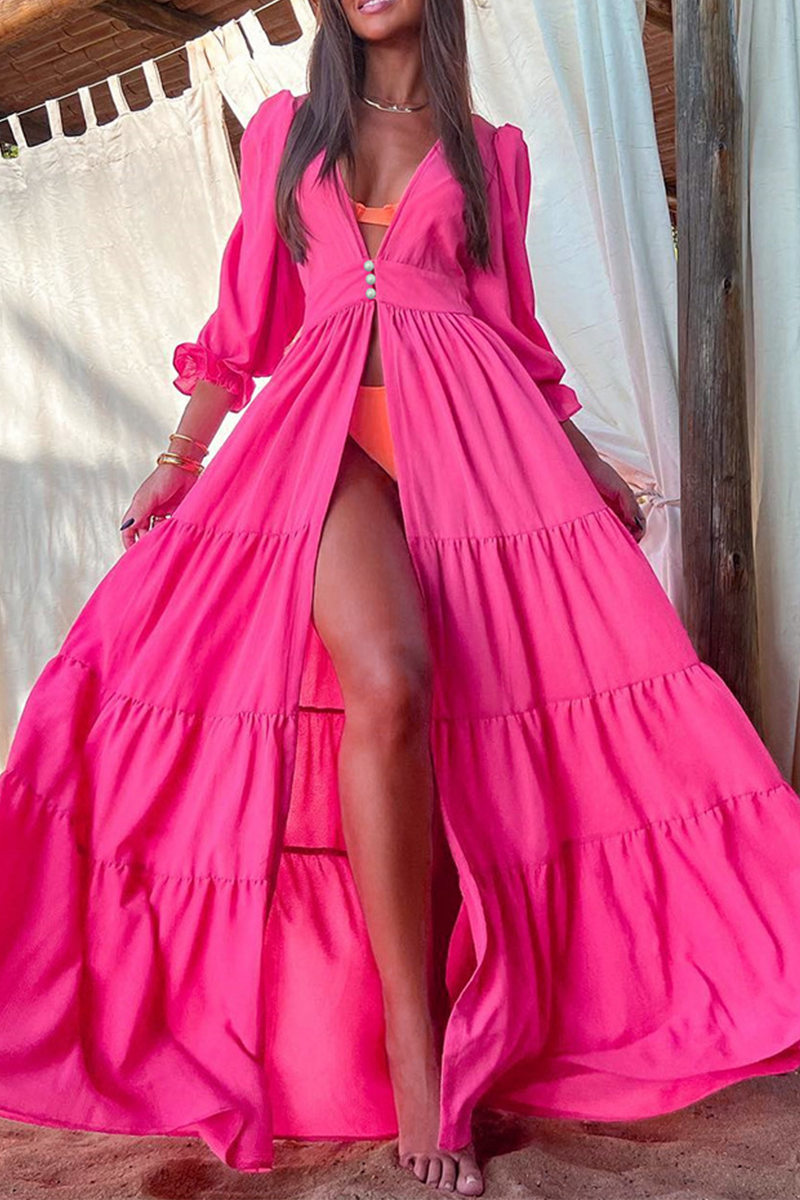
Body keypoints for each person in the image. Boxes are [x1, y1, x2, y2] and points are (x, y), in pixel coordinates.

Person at [4, 0, 800, 1195]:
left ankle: (476, 1011)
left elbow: (513, 332)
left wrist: (582, 459)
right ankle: (412, 1051)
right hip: (325, 443)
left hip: (472, 437)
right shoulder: (286, 130)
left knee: (492, 720)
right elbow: (245, 319)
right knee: (387, 679)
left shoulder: (491, 154)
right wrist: (180, 455)